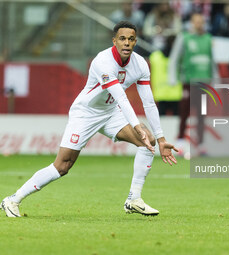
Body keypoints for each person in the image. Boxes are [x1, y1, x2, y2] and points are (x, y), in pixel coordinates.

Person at [1, 21, 178, 218]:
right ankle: (12, 200)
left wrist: (161, 139)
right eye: (122, 39)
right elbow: (121, 97)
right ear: (114, 41)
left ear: (136, 41)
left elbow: (149, 103)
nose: (126, 43)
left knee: (148, 142)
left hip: (111, 112)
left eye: (130, 39)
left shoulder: (140, 64)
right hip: (86, 113)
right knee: (63, 166)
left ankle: (134, 199)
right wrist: (136, 126)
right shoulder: (102, 61)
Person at [168, 12, 218, 156]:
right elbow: (174, 58)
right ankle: (180, 143)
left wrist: (216, 80)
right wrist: (172, 77)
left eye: (201, 22)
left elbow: (212, 61)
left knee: (202, 115)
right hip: (188, 81)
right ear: (191, 23)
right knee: (184, 112)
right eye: (196, 22)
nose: (199, 24)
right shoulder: (184, 37)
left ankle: (201, 145)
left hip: (204, 82)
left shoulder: (208, 39)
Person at [149, 36, 182, 115]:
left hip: (162, 93)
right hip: (174, 93)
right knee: (176, 122)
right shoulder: (180, 58)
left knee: (161, 124)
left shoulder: (155, 57)